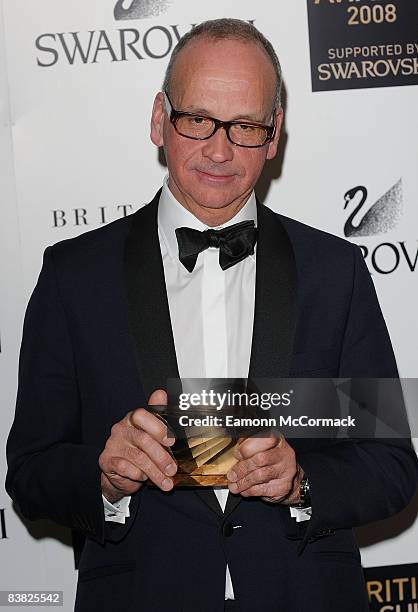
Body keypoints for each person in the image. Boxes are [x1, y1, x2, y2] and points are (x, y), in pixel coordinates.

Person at [5, 18, 418, 612]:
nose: (219, 150)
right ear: (159, 119)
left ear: (275, 135)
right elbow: (32, 467)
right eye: (197, 120)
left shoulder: (336, 273)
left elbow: (390, 466)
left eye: (245, 126)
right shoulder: (75, 277)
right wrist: (106, 476)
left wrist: (301, 481)